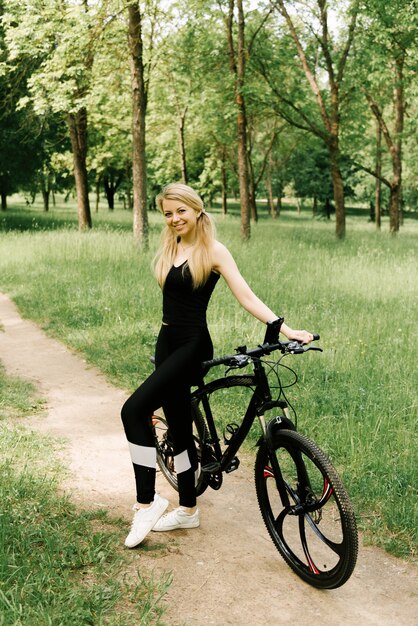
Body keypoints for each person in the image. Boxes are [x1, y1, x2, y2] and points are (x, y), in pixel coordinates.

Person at [121, 182, 313, 548]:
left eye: (181, 211)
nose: (175, 219)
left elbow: (246, 295)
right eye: (168, 213)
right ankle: (188, 511)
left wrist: (285, 329)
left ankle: (146, 502)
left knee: (132, 410)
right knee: (178, 426)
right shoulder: (171, 245)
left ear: (196, 210)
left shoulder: (214, 250)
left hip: (192, 346)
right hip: (167, 344)